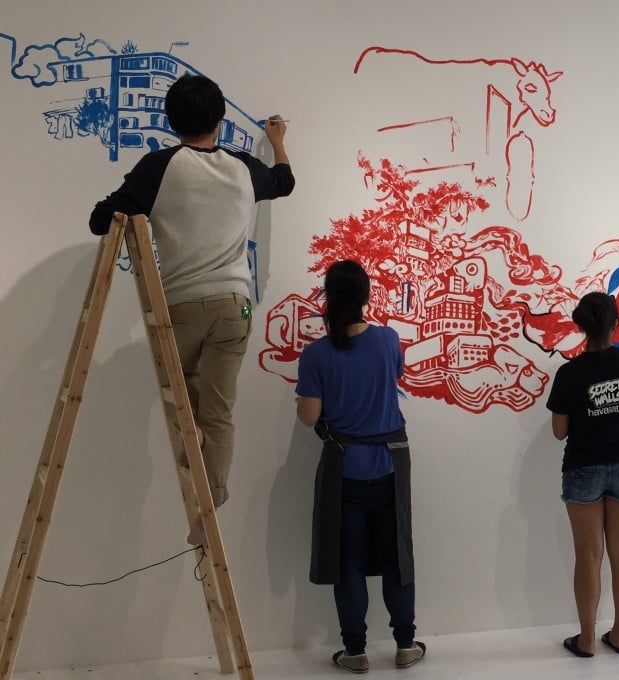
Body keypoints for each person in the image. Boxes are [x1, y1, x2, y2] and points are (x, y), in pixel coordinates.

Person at [89, 74, 294, 545]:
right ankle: (209, 513)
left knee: (181, 400)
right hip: (234, 306)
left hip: (179, 306)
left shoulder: (159, 167)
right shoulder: (244, 167)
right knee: (218, 412)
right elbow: (284, 182)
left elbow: (103, 218)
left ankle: (190, 437)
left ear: (169, 120)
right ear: (219, 121)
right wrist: (278, 142)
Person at [295, 260, 425, 674]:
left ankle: (355, 651)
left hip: (345, 467)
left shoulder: (316, 354)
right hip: (390, 460)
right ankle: (405, 644)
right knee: (396, 556)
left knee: (347, 560)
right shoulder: (389, 340)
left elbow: (309, 418)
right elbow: (393, 380)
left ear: (328, 300)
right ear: (367, 297)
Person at [546, 292, 619, 658]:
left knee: (589, 556)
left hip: (583, 469)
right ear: (615, 323)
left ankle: (587, 639)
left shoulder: (568, 373)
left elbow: (559, 431)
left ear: (581, 327)